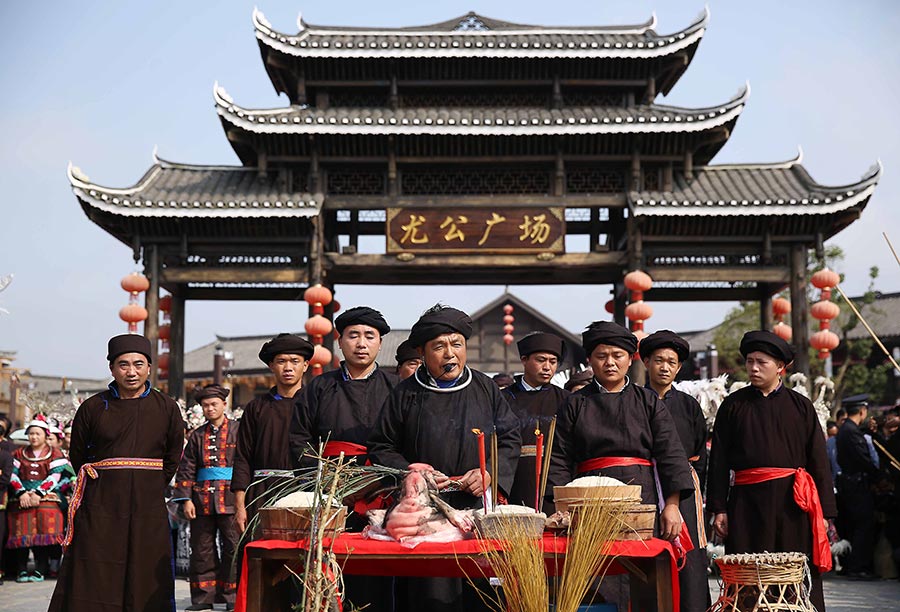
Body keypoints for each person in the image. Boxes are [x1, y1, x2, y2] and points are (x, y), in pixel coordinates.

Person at [369, 304, 522, 612]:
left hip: (475, 511)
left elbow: (509, 438)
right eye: (439, 346)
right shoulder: (405, 393)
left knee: (482, 593)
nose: (450, 354)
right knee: (431, 596)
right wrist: (411, 473)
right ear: (424, 353)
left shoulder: (485, 388)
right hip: (424, 514)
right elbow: (381, 445)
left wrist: (490, 472)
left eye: (457, 344)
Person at [49, 333, 184, 612]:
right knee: (96, 565)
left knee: (145, 565)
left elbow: (173, 455)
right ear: (111, 368)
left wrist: (148, 485)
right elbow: (78, 456)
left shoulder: (167, 407)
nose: (131, 372)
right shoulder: (93, 407)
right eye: (123, 364)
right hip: (101, 503)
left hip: (147, 503)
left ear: (149, 367)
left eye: (138, 364)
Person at [708, 330, 837, 611]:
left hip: (793, 503)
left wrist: (825, 513)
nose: (753, 368)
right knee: (748, 572)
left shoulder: (800, 406)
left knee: (793, 573)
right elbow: (717, 461)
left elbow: (819, 460)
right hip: (745, 503)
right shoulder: (733, 405)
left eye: (761, 362)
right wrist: (719, 508)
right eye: (749, 361)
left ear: (780, 367)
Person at [290, 306, 398, 612]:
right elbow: (299, 439)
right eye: (353, 335)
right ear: (340, 342)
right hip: (331, 489)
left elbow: (405, 441)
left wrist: (387, 477)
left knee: (381, 568)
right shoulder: (319, 388)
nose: (361, 343)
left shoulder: (396, 389)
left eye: (369, 336)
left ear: (379, 343)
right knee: (332, 565)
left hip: (383, 490)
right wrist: (322, 476)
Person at [548, 322, 693, 539]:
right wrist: (561, 507)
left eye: (618, 355)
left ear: (629, 359)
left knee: (641, 565)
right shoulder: (574, 403)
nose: (610, 363)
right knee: (595, 567)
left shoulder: (648, 401)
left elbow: (670, 453)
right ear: (589, 360)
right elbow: (558, 458)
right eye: (601, 356)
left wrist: (672, 505)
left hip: (642, 498)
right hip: (587, 498)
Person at [639, 330, 710, 612]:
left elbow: (700, 455)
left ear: (679, 367)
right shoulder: (635, 400)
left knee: (689, 558)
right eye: (658, 360)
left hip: (684, 490)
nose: (665, 367)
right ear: (645, 362)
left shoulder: (689, 406)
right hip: (645, 485)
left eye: (671, 361)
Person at [232, 333, 313, 537]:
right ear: (271, 366)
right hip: (261, 494)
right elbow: (243, 457)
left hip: (304, 493)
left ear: (305, 365)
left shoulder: (316, 406)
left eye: (295, 361)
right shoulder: (256, 408)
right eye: (281, 361)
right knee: (260, 556)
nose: (288, 368)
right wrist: (240, 506)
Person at [174, 384, 240, 611]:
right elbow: (186, 468)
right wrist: (185, 499)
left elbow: (245, 465)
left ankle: (232, 597)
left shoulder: (238, 431)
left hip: (231, 499)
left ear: (224, 405)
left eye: (214, 404)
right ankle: (204, 598)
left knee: (233, 547)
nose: (210, 409)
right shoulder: (197, 436)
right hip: (201, 501)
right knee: (201, 548)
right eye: (205, 405)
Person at [502, 332, 569, 513]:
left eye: (553, 362)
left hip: (554, 478)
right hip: (513, 478)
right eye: (541, 360)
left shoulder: (567, 400)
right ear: (524, 360)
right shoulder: (503, 399)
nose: (547, 367)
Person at [6, 417, 71, 583]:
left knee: (43, 534)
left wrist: (38, 493)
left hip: (46, 496)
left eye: (38, 434)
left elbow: (55, 476)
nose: (34, 437)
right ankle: (21, 570)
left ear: (45, 435)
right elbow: (12, 473)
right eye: (31, 434)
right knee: (21, 533)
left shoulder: (55, 453)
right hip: (22, 497)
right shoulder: (19, 453)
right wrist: (21, 492)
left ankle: (40, 569)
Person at [835, 399, 880, 580]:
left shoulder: (847, 429)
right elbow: (863, 459)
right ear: (862, 411)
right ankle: (858, 566)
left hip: (849, 483)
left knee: (853, 524)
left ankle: (851, 565)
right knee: (863, 524)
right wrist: (879, 476)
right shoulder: (851, 432)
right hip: (856, 484)